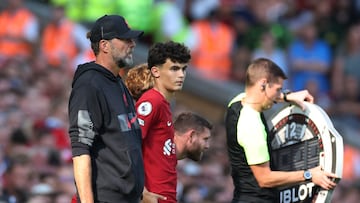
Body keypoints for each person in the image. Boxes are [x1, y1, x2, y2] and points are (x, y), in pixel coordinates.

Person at [225, 58, 338, 203]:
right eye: (278, 89)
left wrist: (287, 96)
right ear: (263, 84)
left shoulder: (235, 103)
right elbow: (264, 179)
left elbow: (256, 95)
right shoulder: (252, 126)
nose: (279, 94)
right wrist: (309, 175)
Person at [68, 14, 144, 203]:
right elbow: (80, 150)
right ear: (104, 45)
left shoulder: (116, 82)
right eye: (125, 39)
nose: (132, 44)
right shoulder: (89, 85)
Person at [135, 41, 191, 203]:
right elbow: (129, 146)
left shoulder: (163, 105)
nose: (181, 74)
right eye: (174, 68)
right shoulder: (152, 101)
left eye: (183, 69)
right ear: (156, 71)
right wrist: (141, 191)